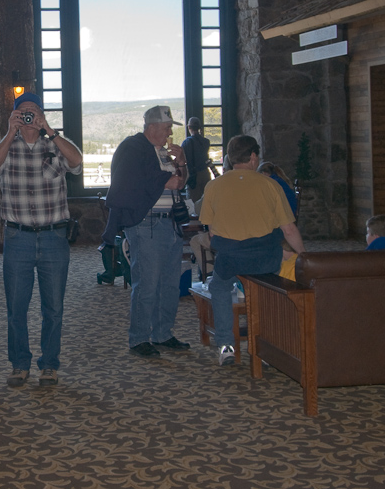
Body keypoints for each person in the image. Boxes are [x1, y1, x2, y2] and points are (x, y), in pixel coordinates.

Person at [0, 92, 82, 387]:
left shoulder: (54, 144)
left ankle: (49, 365)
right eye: (23, 112)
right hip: (18, 238)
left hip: (54, 237)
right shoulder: (5, 147)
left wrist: (50, 131)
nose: (29, 116)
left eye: (34, 112)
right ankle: (19, 364)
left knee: (53, 307)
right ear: (14, 115)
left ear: (42, 115)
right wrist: (9, 132)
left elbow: (77, 163)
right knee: (17, 307)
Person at [198, 135, 305, 365]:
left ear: (229, 158)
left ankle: (226, 345)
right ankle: (267, 347)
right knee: (269, 290)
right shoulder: (270, 185)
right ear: (254, 157)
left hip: (231, 260)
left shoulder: (214, 186)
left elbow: (211, 231)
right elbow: (288, 229)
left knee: (219, 287)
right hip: (265, 259)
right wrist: (304, 257)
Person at [102, 105, 191, 358]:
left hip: (170, 224)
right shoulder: (133, 149)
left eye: (170, 129)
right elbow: (137, 183)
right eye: (165, 128)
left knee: (170, 284)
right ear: (151, 127)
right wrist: (170, 176)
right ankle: (139, 338)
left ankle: (163, 333)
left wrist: (181, 162)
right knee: (148, 284)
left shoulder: (162, 153)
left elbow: (180, 183)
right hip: (146, 224)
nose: (168, 134)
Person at [181, 117, 211, 204]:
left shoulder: (186, 142)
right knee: (207, 200)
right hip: (205, 173)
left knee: (193, 202)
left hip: (193, 175)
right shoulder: (206, 142)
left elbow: (183, 159)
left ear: (189, 127)